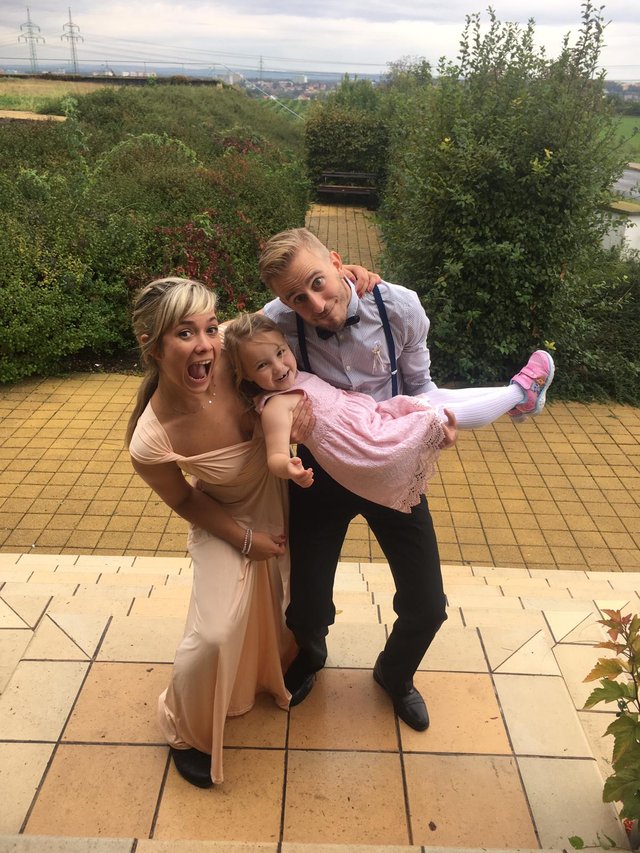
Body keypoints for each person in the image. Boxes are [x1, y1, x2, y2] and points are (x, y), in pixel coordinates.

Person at [257, 227, 553, 732]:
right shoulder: (276, 321)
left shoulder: (399, 307)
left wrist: (434, 429)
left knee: (427, 605)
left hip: (390, 467)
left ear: (337, 261)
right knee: (304, 606)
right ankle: (310, 656)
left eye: (318, 282)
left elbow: (420, 386)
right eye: (296, 297)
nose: (314, 304)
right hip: (318, 474)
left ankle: (394, 674)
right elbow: (228, 346)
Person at [126, 277, 302, 789]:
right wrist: (245, 541)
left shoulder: (231, 348)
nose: (206, 344)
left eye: (209, 327)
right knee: (213, 633)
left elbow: (296, 305)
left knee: (295, 601)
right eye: (185, 333)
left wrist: (355, 278)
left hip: (287, 498)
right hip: (228, 518)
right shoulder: (151, 438)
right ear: (152, 346)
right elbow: (184, 500)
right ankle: (183, 727)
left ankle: (269, 672)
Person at [223, 312, 553, 513]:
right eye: (262, 366)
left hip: (373, 418)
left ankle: (518, 394)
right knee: (436, 412)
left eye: (280, 353)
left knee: (432, 399)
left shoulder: (294, 375)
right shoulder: (275, 406)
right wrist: (290, 468)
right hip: (368, 442)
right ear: (247, 375)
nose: (279, 367)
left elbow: (246, 325)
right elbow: (275, 455)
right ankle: (520, 393)